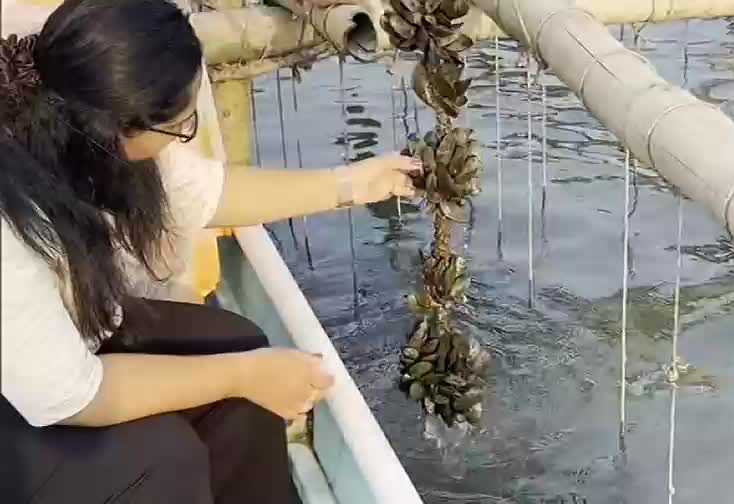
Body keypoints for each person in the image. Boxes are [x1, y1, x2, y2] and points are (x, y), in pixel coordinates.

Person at [0, 0, 422, 502]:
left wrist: (352, 184)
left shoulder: (80, 122)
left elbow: (206, 192)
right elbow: (71, 396)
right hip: (23, 402)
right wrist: (242, 376)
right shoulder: (10, 224)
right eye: (180, 127)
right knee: (161, 458)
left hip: (56, 349)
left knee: (239, 349)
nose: (185, 138)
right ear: (118, 125)